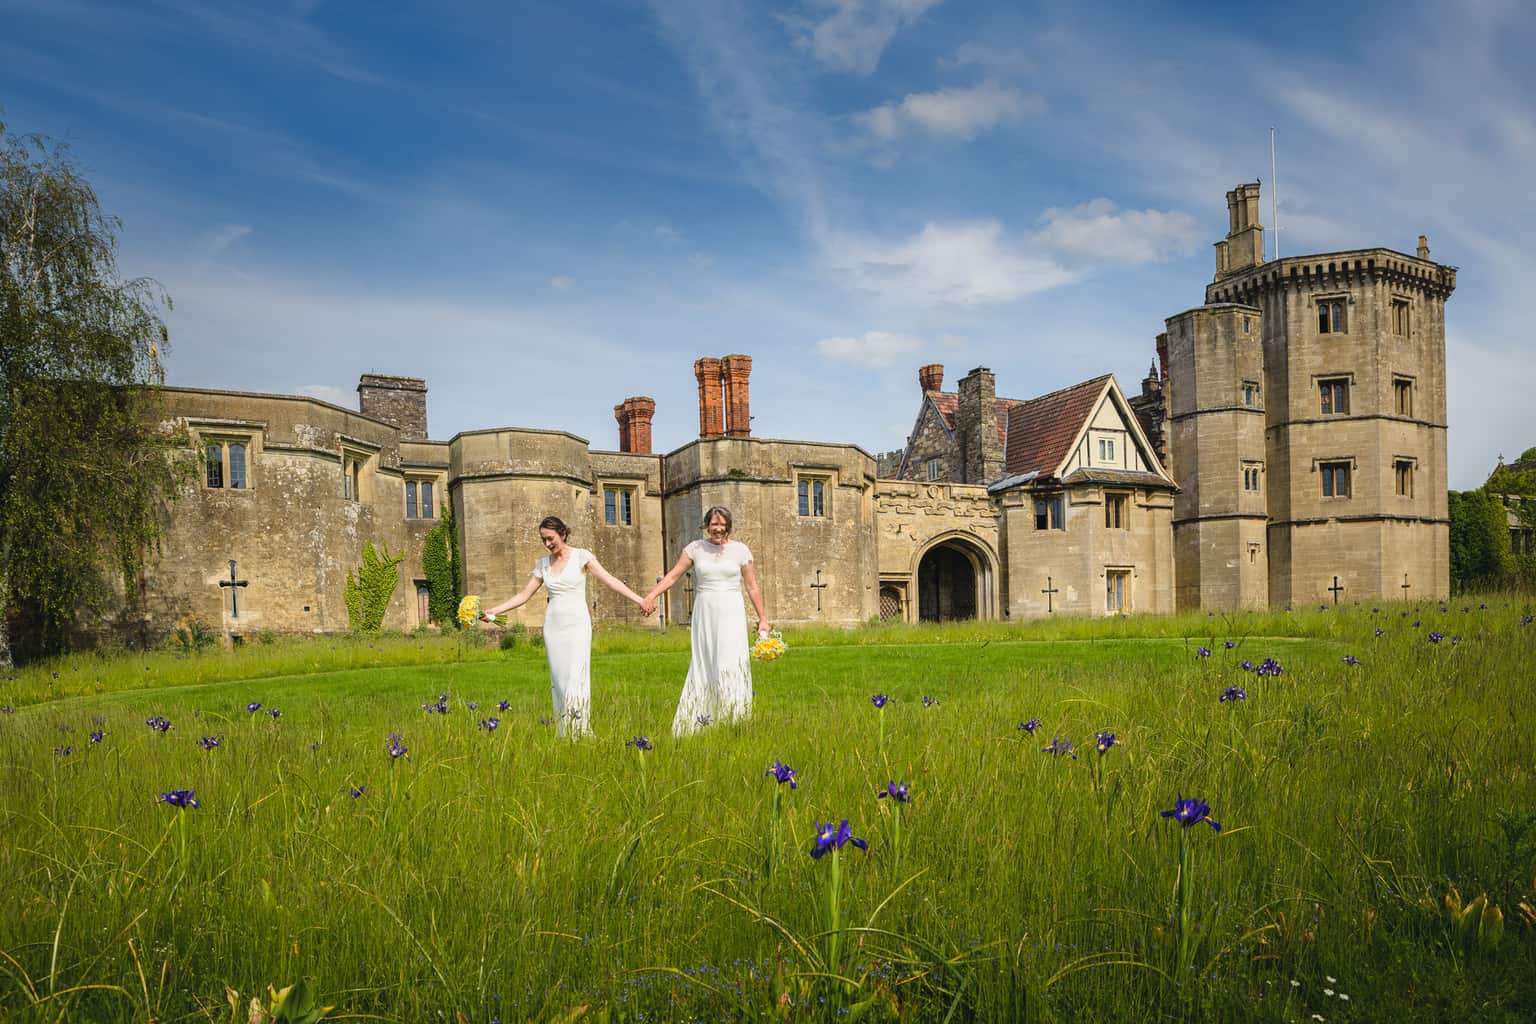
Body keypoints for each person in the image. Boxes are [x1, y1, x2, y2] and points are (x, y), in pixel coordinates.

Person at [481, 516, 647, 736]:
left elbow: (610, 580)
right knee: (559, 679)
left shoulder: (582, 556)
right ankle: (565, 731)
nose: (547, 544)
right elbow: (524, 595)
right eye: (543, 540)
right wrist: (495, 611)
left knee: (575, 676)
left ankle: (580, 729)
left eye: (550, 538)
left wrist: (640, 600)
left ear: (563, 534)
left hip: (577, 624)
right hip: (553, 626)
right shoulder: (542, 565)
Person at [642, 506, 769, 736]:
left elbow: (752, 586)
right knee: (706, 661)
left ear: (728, 525)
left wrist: (763, 620)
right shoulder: (695, 549)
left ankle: (734, 719)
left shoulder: (740, 550)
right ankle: (699, 720)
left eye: (722, 524)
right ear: (707, 525)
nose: (718, 529)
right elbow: (672, 576)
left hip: (731, 611)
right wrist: (651, 595)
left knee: (731, 661)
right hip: (705, 611)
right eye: (713, 524)